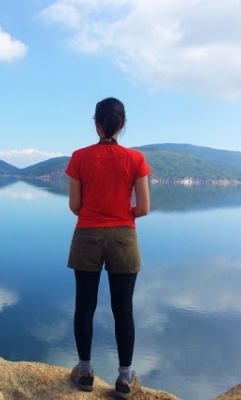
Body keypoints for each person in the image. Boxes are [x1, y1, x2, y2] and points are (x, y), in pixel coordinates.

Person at [65, 97, 151, 398]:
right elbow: (144, 208)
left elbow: (75, 205)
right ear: (122, 124)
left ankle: (85, 373)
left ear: (96, 124)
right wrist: (122, 213)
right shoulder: (136, 159)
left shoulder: (78, 157)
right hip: (124, 237)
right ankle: (125, 378)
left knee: (84, 306)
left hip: (87, 234)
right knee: (123, 309)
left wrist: (94, 214)